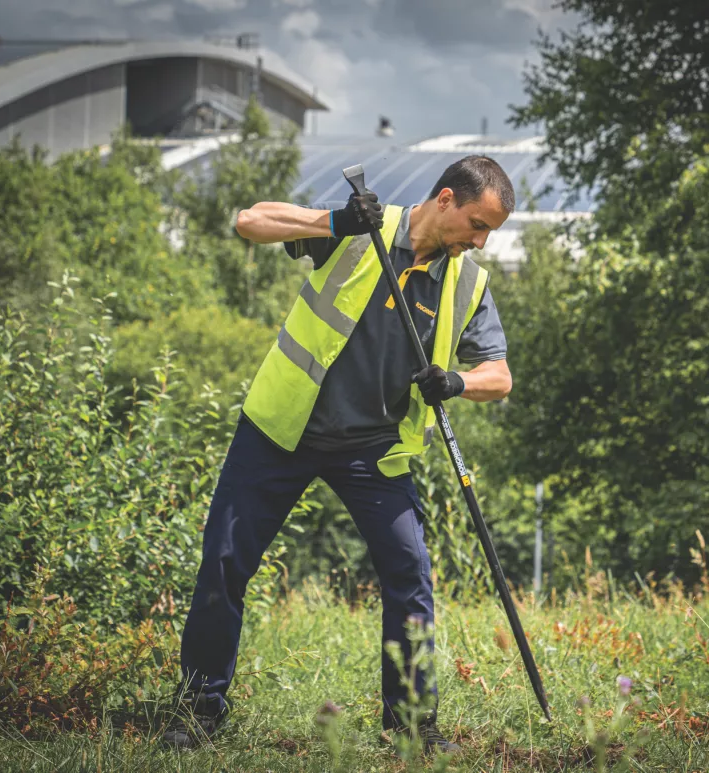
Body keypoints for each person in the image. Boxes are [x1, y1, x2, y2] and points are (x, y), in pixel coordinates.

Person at [162, 155, 515, 755]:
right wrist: (334, 221)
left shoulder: (467, 283)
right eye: (478, 225)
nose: (480, 242)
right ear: (446, 200)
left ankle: (412, 727)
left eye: (489, 233)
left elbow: (499, 376)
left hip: (374, 451)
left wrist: (456, 381)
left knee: (409, 574)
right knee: (223, 562)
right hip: (282, 431)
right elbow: (250, 221)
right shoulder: (361, 229)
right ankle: (197, 713)